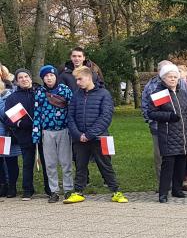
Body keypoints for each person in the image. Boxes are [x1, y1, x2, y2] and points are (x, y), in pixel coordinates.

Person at [64, 66, 127, 204]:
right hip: (80, 139)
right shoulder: (76, 95)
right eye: (76, 80)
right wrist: (78, 134)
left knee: (105, 165)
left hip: (99, 137)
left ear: (89, 77)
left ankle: (116, 191)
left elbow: (105, 117)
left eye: (80, 79)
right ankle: (78, 192)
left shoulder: (104, 94)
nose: (77, 82)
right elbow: (70, 117)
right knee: (80, 166)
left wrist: (89, 134)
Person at [143, 62, 187, 203]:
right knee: (168, 164)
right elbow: (152, 113)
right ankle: (163, 193)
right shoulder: (159, 93)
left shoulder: (182, 92)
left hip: (183, 134)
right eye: (170, 77)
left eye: (175, 77)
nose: (173, 79)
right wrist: (169, 116)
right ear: (163, 78)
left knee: (181, 164)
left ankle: (177, 190)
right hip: (168, 133)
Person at [33, 65, 73, 203]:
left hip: (64, 130)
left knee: (66, 162)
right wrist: (36, 133)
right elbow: (37, 113)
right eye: (46, 76)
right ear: (43, 78)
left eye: (51, 75)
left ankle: (68, 189)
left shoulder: (65, 90)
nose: (49, 78)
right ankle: (54, 191)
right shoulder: (40, 92)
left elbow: (72, 109)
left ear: (56, 76)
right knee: (50, 164)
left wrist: (72, 129)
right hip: (47, 131)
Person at [1, 69, 36, 199]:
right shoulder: (13, 98)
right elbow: (8, 117)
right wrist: (20, 124)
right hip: (23, 134)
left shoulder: (39, 93)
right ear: (16, 81)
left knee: (46, 163)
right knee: (27, 163)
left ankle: (50, 189)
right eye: (20, 77)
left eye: (26, 76)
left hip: (41, 133)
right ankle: (27, 189)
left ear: (30, 78)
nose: (24, 79)